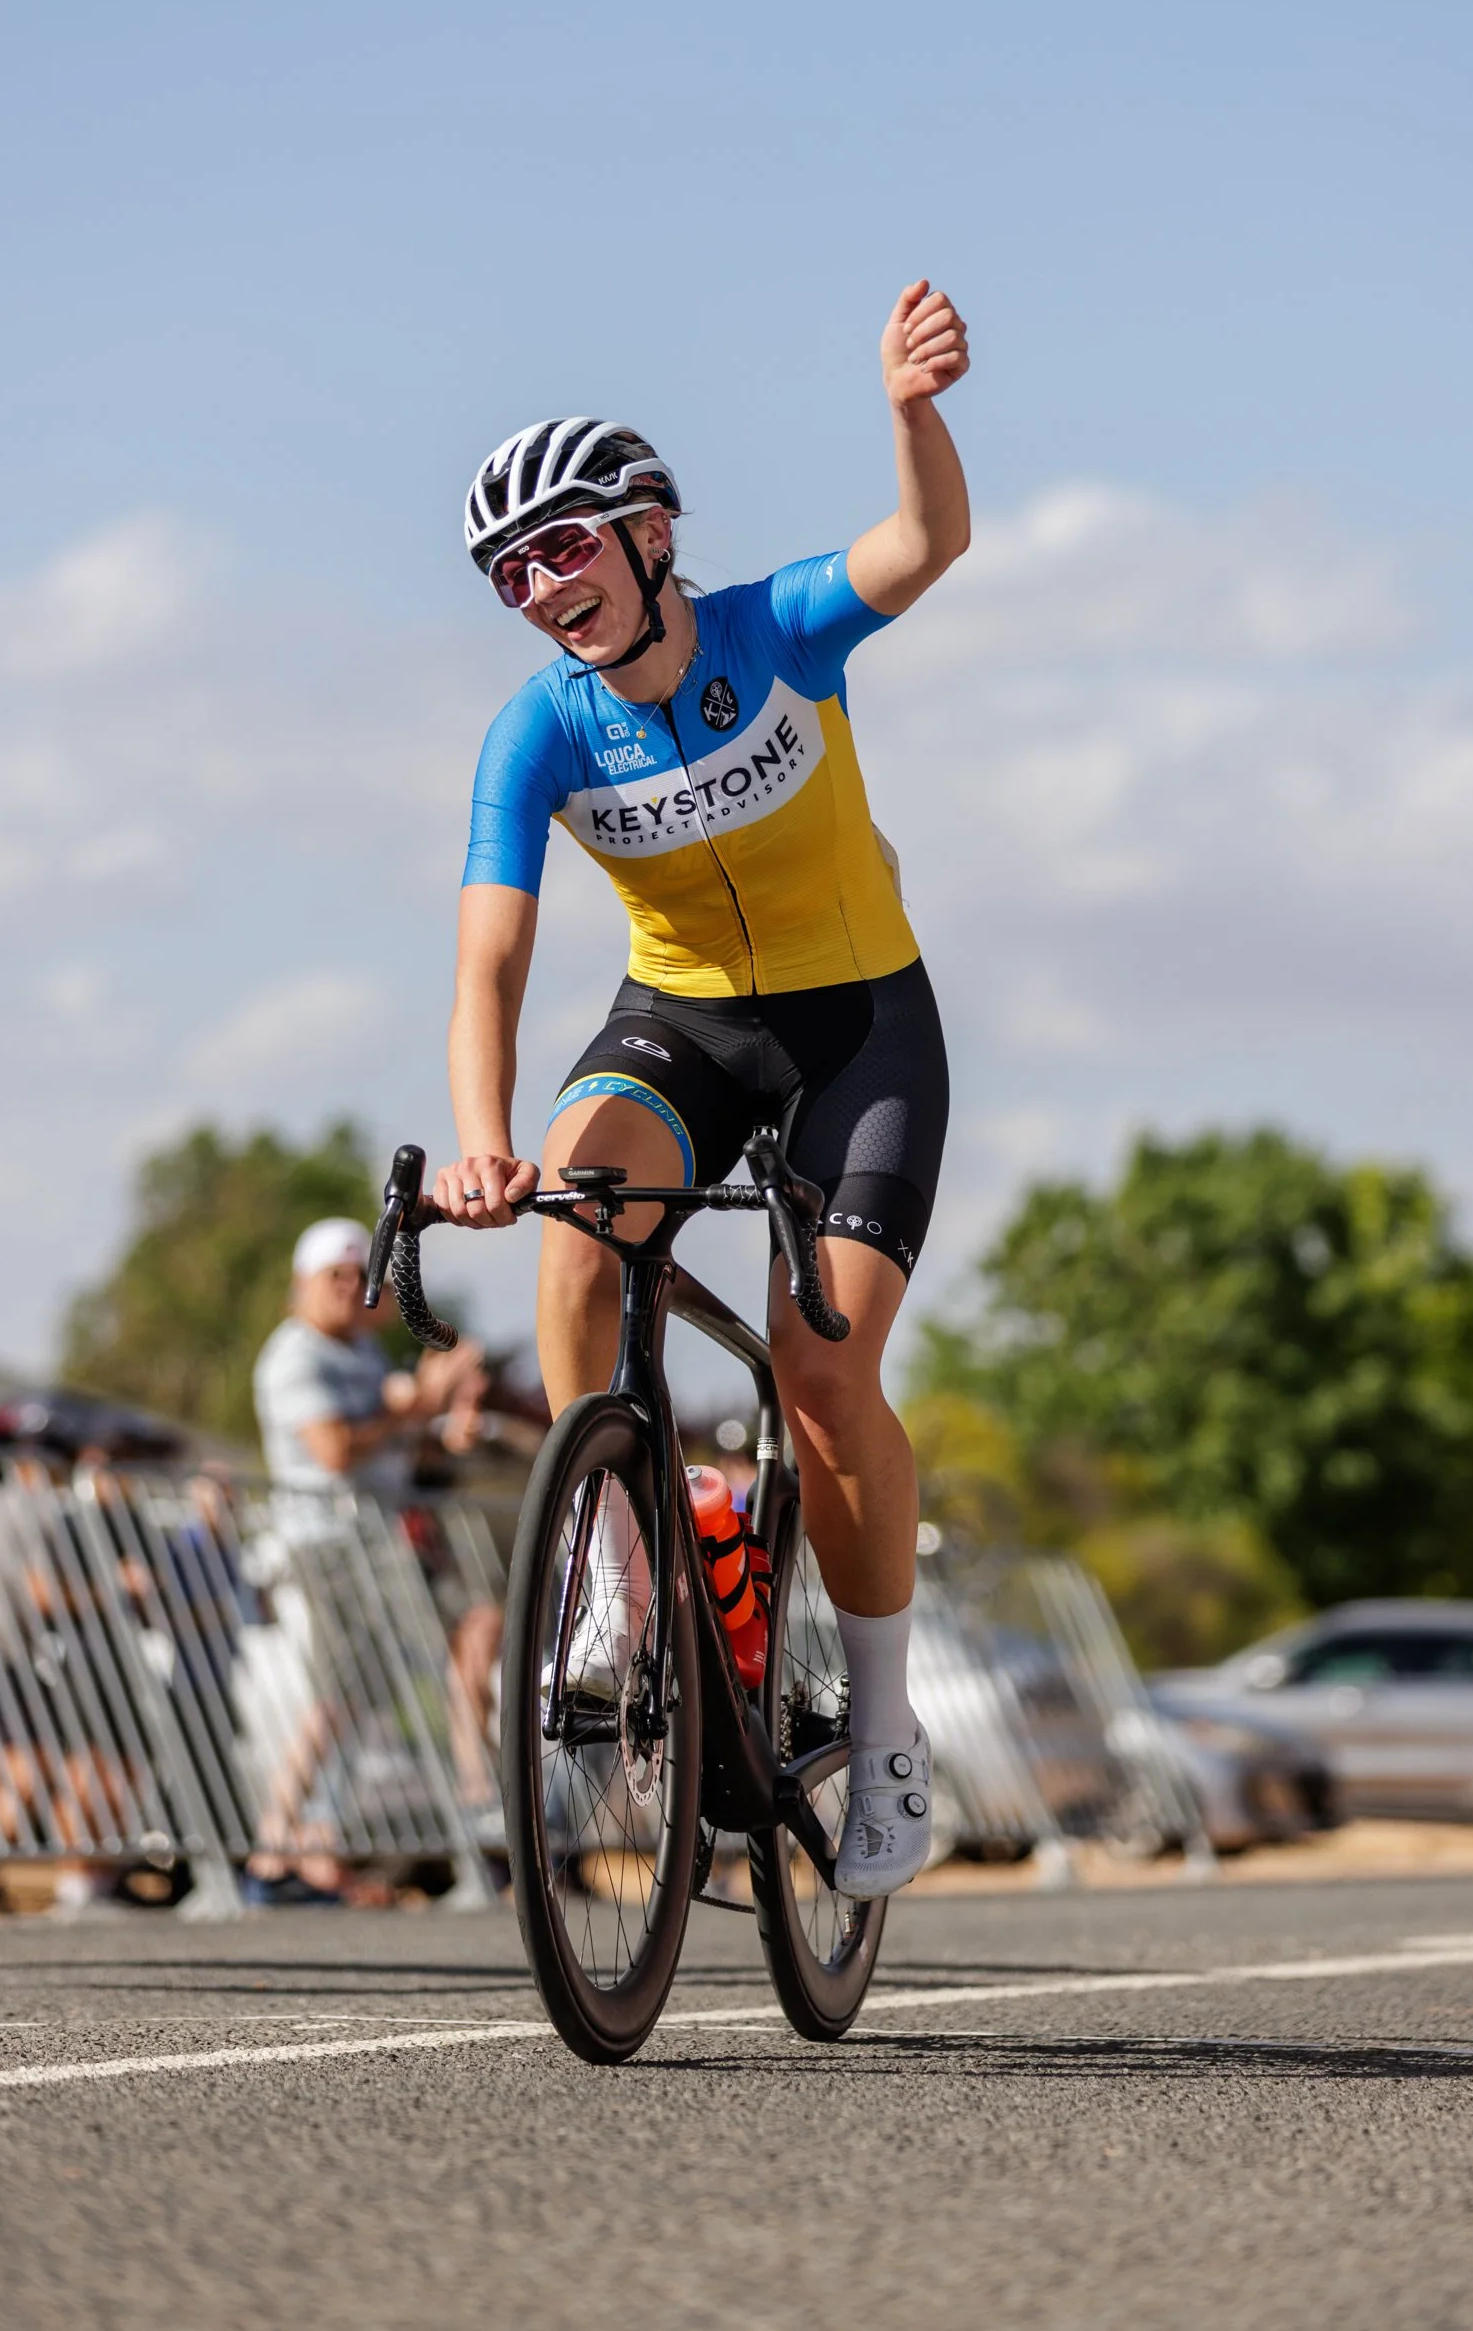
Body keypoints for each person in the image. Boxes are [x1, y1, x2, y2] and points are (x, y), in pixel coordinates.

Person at [436, 277, 969, 1897]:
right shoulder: (539, 733)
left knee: (821, 1370)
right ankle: (617, 1567)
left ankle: (885, 1732)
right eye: (510, 572)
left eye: (563, 547)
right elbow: (490, 967)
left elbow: (925, 543)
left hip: (857, 1030)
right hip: (681, 1022)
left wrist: (908, 414)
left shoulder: (774, 630)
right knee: (575, 1227)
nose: (541, 587)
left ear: (650, 532)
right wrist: (482, 1146)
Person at [247, 1217, 496, 1902]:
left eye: (360, 1276)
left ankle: (476, 1801)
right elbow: (335, 1450)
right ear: (302, 1283)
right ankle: (275, 1846)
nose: (350, 1288)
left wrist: (445, 1423)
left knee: (463, 1635)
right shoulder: (294, 1356)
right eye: (336, 1275)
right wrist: (420, 1406)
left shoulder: (361, 1350)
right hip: (329, 1542)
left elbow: (398, 1437)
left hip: (379, 1535)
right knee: (342, 1696)